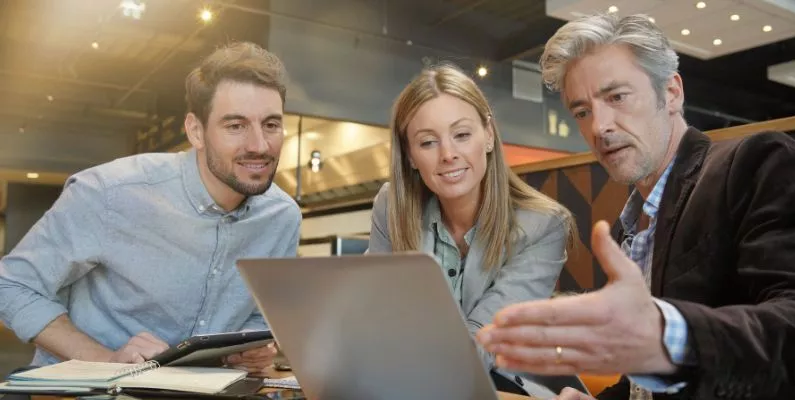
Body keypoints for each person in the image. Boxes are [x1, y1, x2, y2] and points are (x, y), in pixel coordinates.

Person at [476, 12, 795, 400]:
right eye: (582, 112)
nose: (599, 127)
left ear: (672, 93)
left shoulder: (753, 164)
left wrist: (667, 338)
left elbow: (792, 329)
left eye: (617, 97)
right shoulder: (625, 231)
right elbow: (645, 389)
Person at [0, 42, 300, 373]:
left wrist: (249, 350)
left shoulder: (282, 218)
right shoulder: (111, 192)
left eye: (271, 125)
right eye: (235, 126)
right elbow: (12, 285)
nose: (259, 145)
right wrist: (106, 360)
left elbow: (259, 315)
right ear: (196, 131)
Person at [367, 63, 577, 396]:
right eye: (427, 142)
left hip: (508, 389)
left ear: (489, 136)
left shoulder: (543, 226)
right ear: (409, 154)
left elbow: (488, 337)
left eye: (462, 135)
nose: (449, 154)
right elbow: (371, 311)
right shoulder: (391, 206)